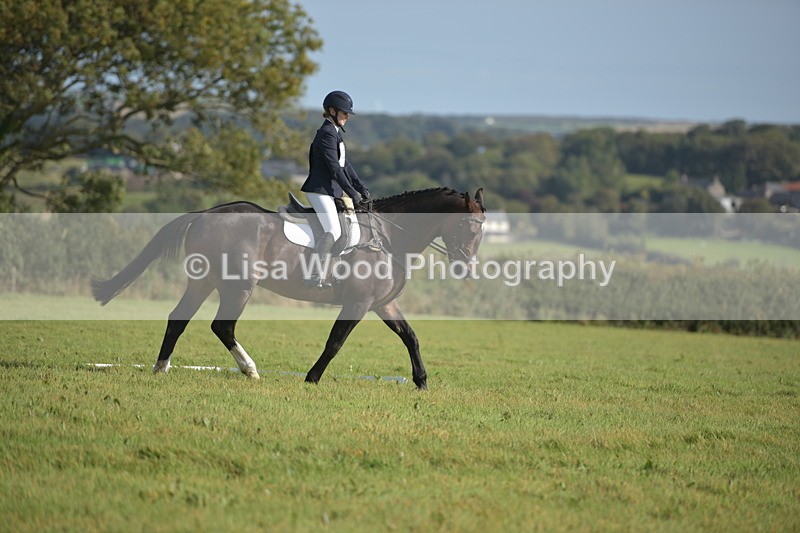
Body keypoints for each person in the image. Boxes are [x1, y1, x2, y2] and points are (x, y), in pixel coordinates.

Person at [301, 90, 370, 288]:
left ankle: (331, 272)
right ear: (332, 111)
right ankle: (314, 275)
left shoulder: (335, 134)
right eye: (344, 113)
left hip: (330, 191)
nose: (347, 117)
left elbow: (345, 165)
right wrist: (352, 192)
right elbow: (334, 168)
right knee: (332, 229)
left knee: (344, 231)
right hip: (319, 190)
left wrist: (360, 187)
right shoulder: (326, 134)